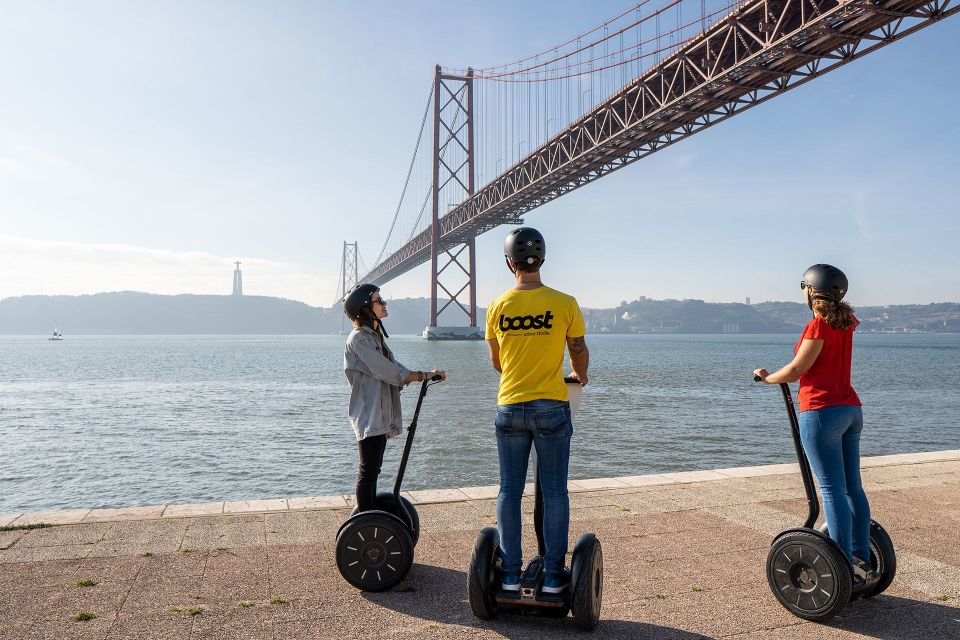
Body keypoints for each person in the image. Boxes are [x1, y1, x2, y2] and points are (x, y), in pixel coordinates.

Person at [753, 264, 878, 582]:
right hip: (851, 410)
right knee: (853, 488)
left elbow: (797, 369)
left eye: (805, 289)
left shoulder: (817, 327)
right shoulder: (847, 322)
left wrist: (767, 378)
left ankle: (842, 566)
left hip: (822, 413)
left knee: (832, 490)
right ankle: (861, 557)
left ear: (811, 291)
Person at [485, 227, 589, 595]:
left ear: (508, 263)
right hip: (551, 407)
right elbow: (577, 349)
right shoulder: (565, 302)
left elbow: (497, 361)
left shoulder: (497, 306)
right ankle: (553, 576)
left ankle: (510, 575)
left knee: (509, 491)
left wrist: (519, 371)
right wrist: (581, 374)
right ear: (542, 260)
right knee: (555, 491)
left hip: (509, 405)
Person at [342, 283, 445, 512]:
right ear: (366, 309)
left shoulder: (373, 337)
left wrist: (425, 374)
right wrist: (418, 376)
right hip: (369, 412)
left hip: (379, 410)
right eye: (379, 300)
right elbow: (387, 371)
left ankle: (369, 517)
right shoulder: (359, 339)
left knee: (373, 469)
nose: (384, 303)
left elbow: (393, 366)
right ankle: (366, 522)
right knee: (368, 470)